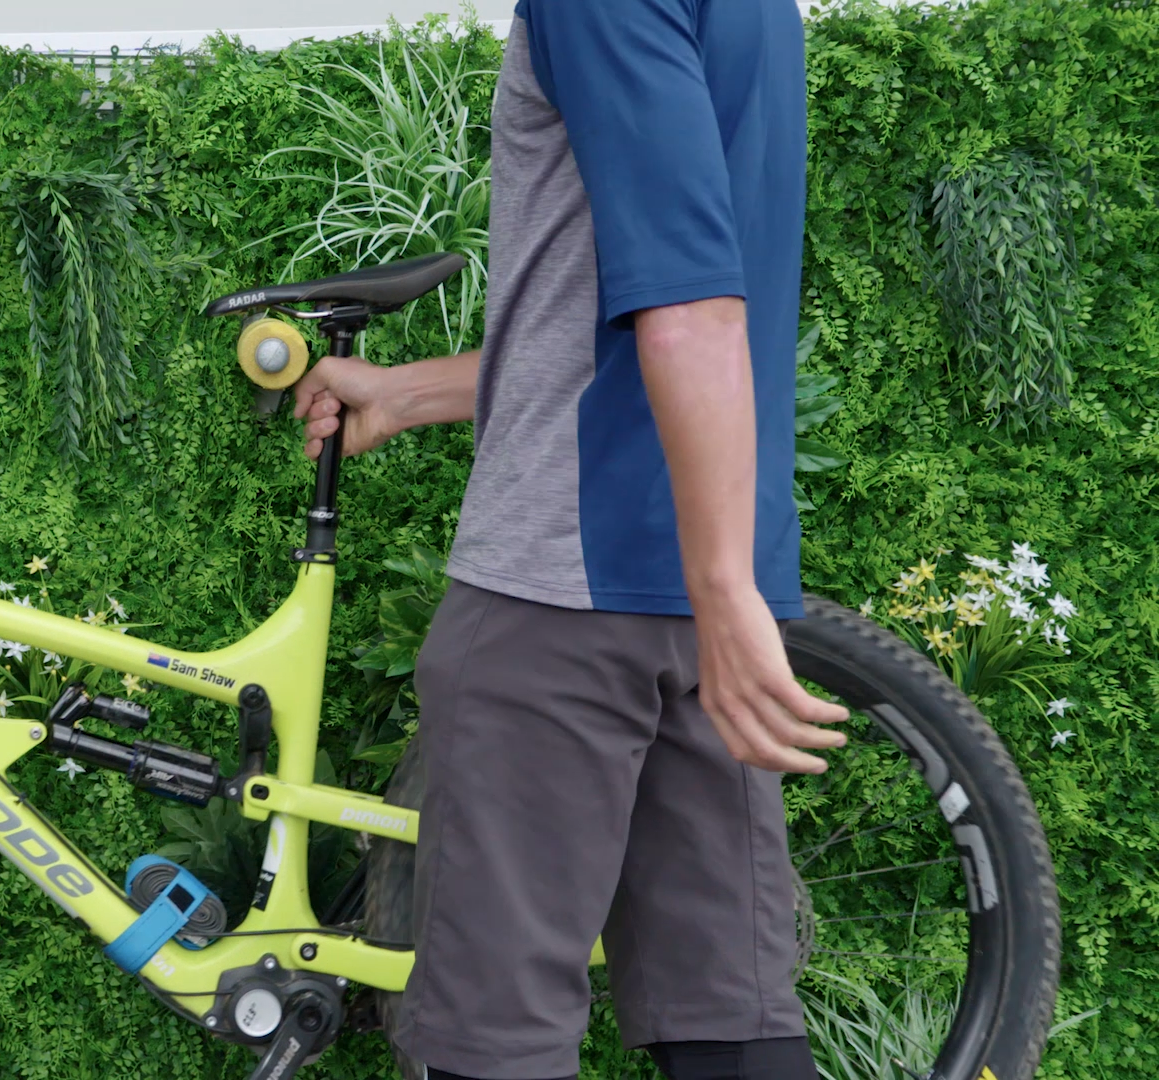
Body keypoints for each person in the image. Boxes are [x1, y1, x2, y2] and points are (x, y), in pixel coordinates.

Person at [290, 2, 850, 1078]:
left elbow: (689, 307)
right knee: (732, 1028)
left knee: (491, 1045)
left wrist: (724, 592)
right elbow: (634, 321)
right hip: (686, 577)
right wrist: (407, 394)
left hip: (564, 593)